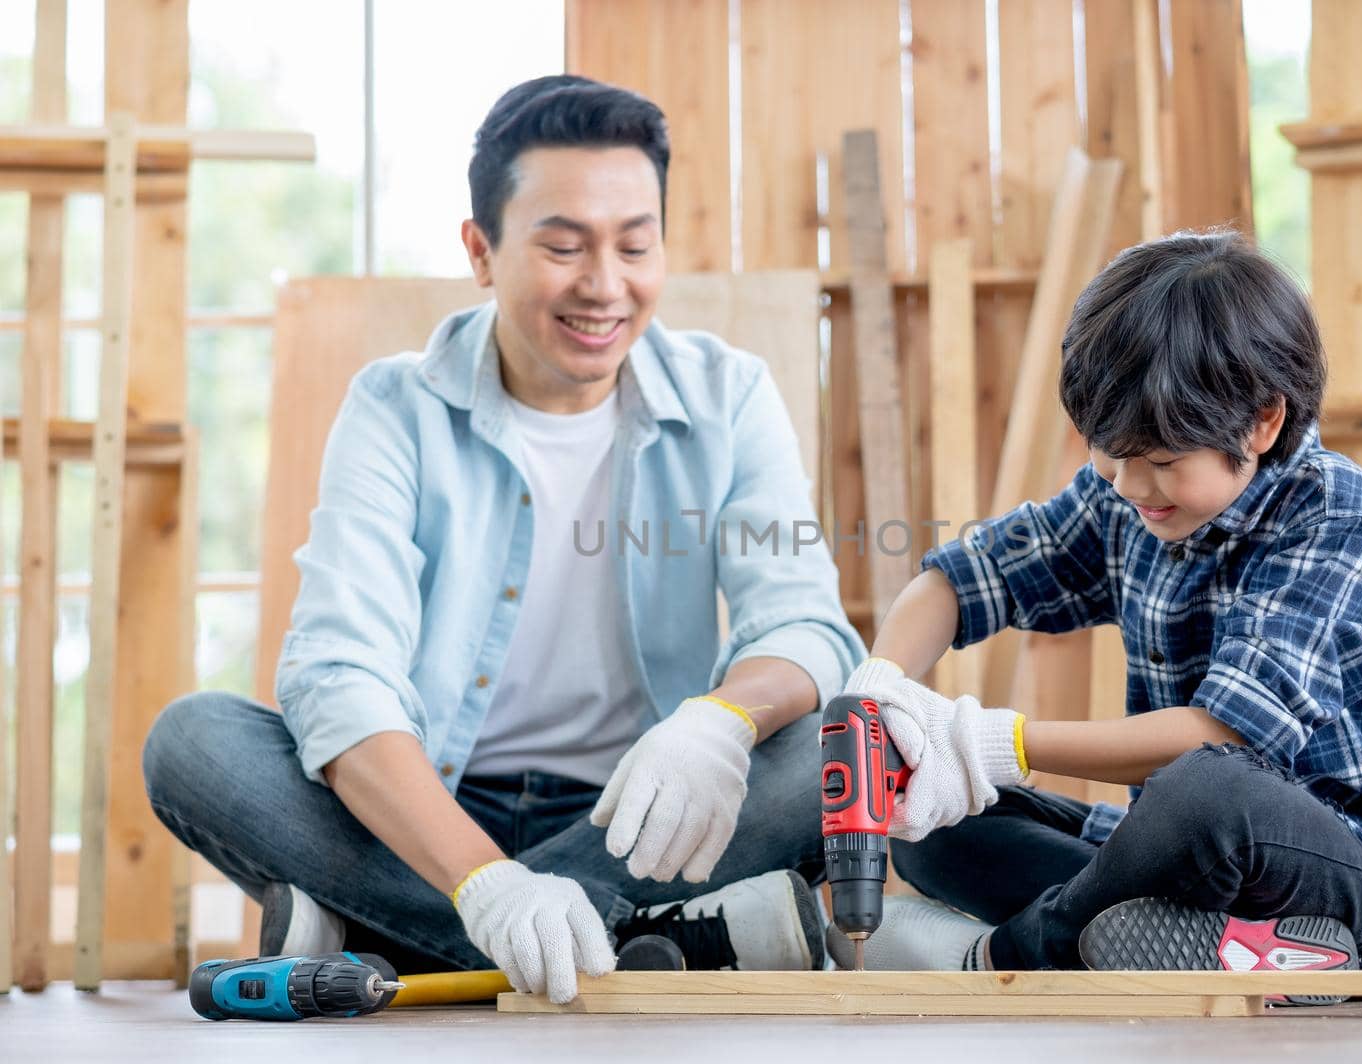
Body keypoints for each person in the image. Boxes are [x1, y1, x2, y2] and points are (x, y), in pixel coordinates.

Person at [143, 75, 863, 1004]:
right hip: (427, 807)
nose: (605, 285)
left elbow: (805, 624)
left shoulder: (731, 393)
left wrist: (717, 721)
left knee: (833, 744)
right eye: (563, 247)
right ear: (481, 252)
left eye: (635, 246)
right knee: (193, 740)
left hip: (642, 807)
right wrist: (485, 881)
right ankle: (634, 937)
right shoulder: (395, 406)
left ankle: (377, 930)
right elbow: (339, 670)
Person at [835, 231, 1362, 992]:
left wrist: (991, 740)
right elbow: (960, 582)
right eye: (1110, 452)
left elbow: (1217, 739)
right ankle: (1216, 947)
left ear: (1263, 422)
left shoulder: (1335, 514)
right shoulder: (1129, 495)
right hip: (1184, 861)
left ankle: (1005, 957)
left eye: (1164, 461)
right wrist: (879, 688)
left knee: (1206, 788)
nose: (1133, 485)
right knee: (929, 823)